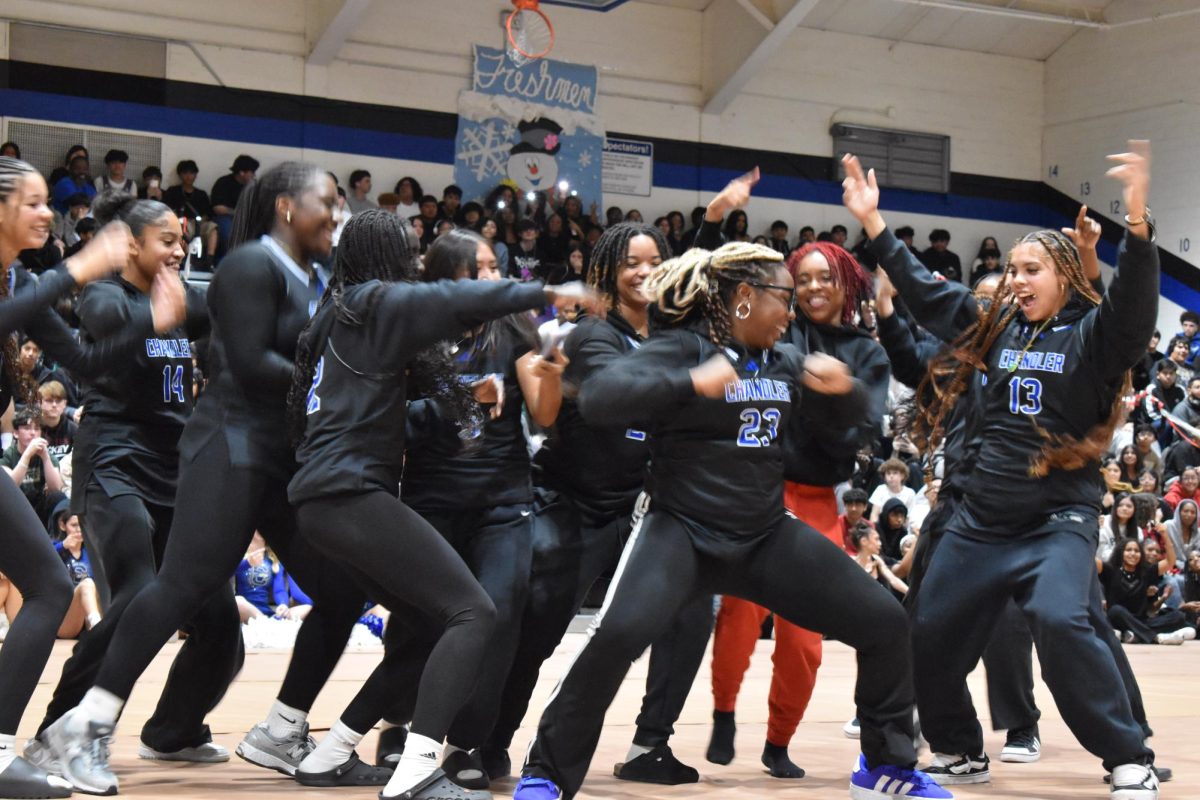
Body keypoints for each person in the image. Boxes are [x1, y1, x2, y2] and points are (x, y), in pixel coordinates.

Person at [514, 241, 949, 800]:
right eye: (783, 299)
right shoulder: (682, 348)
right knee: (615, 637)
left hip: (763, 534)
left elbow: (861, 417)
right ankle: (546, 775)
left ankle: (885, 767)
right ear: (744, 297)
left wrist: (845, 392)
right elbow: (599, 397)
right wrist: (689, 383)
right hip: (681, 531)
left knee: (885, 621)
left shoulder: (784, 359)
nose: (791, 312)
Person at [842, 140, 1162, 796]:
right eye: (1013, 269)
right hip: (982, 518)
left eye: (1032, 269)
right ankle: (960, 749)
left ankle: (1127, 757)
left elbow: (1132, 312)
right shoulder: (995, 327)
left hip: (1056, 518)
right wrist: (874, 225)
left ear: (1067, 275)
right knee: (925, 630)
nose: (1017, 280)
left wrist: (1137, 228)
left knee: (1060, 619)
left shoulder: (1093, 335)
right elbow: (930, 297)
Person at [43, 162, 370, 795]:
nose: (336, 213)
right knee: (160, 588)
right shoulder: (240, 269)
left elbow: (230, 332)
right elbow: (247, 362)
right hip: (186, 450)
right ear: (284, 206)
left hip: (252, 457)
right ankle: (77, 726)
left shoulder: (303, 277)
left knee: (335, 590)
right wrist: (339, 388)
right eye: (325, 202)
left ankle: (256, 727)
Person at [283, 209, 602, 800]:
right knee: (473, 613)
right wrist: (549, 289)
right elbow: (452, 300)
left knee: (434, 623)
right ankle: (418, 772)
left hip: (322, 495)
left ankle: (329, 754)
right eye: (404, 251)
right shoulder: (377, 300)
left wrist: (468, 394)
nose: (411, 263)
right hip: (350, 493)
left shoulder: (337, 312)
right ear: (387, 258)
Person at [26, 189, 244, 774]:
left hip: (177, 470)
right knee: (139, 594)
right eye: (167, 241)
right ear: (132, 248)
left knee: (220, 618)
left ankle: (174, 730)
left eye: (183, 240)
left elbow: (231, 310)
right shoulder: (105, 294)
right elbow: (106, 323)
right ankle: (58, 732)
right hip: (115, 462)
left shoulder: (182, 293)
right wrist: (160, 311)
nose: (181, 250)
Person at [487, 223, 712, 788]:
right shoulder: (592, 337)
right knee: (536, 632)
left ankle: (648, 746)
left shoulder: (666, 336)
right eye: (631, 262)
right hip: (573, 504)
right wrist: (690, 385)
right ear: (609, 271)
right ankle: (483, 745)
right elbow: (620, 399)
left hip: (638, 511)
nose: (643, 271)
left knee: (690, 615)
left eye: (653, 261)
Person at [693, 174, 892, 780]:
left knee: (805, 642)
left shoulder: (867, 353)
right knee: (738, 619)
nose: (809, 288)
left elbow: (866, 426)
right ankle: (724, 712)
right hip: (761, 491)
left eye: (821, 277)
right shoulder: (775, 332)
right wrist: (716, 216)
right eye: (799, 279)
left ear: (846, 282)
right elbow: (710, 292)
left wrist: (836, 394)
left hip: (819, 503)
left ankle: (779, 741)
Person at [0, 155, 184, 800]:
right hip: (109, 459)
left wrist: (154, 321)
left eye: (48, 201)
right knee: (61, 587)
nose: (47, 213)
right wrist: (77, 269)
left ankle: (14, 747)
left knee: (53, 587)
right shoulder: (32, 284)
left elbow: (80, 357)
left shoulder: (18, 278)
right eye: (33, 202)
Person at [374, 228, 574, 788]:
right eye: (479, 269)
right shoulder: (411, 332)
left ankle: (465, 740)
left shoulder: (516, 326)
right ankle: (399, 724)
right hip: (429, 497)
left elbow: (545, 414)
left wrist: (550, 377)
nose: (493, 277)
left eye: (495, 266)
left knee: (501, 613)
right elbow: (394, 423)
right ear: (446, 275)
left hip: (503, 499)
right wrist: (462, 399)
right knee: (420, 618)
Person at [1100, 537, 1193, 645]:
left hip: (1141, 621)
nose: (1133, 553)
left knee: (1178, 617)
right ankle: (1156, 638)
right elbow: (1091, 561)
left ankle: (1134, 635)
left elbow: (1170, 561)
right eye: (1128, 550)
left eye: (1136, 551)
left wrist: (1164, 534)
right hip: (1118, 618)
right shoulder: (1111, 570)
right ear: (1121, 552)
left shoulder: (1147, 571)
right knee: (1116, 610)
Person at [210, 154, 259, 253]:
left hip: (248, 219)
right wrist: (237, 212)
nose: (254, 175)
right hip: (226, 218)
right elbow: (218, 208)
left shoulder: (254, 187)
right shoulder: (224, 183)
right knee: (228, 231)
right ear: (241, 172)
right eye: (252, 172)